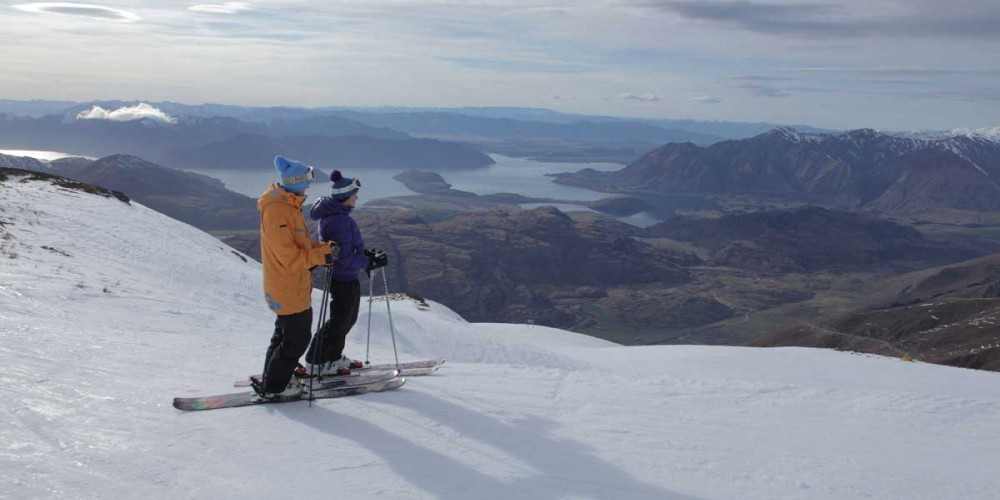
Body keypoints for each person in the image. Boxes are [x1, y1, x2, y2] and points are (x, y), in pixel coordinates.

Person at [252, 156, 335, 399]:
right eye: (307, 180)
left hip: (292, 285)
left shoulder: (288, 205)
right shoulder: (278, 211)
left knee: (284, 335)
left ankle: (274, 376)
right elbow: (289, 257)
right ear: (296, 181)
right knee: (297, 340)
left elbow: (300, 243)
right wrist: (321, 257)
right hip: (287, 285)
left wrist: (323, 249)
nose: (309, 185)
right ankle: (276, 386)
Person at [305, 169, 388, 376]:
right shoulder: (338, 221)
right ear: (345, 197)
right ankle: (316, 361)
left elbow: (345, 250)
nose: (357, 197)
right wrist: (368, 261)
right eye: (354, 194)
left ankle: (332, 357)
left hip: (346, 276)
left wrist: (364, 254)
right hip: (343, 277)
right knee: (339, 321)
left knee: (346, 319)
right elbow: (343, 258)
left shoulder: (338, 216)